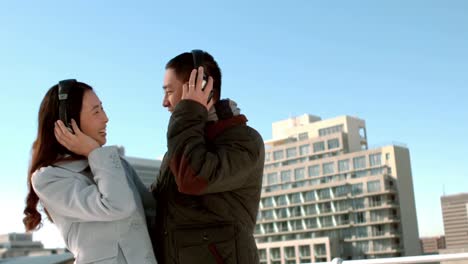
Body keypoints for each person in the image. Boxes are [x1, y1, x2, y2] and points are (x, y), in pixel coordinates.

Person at [23, 80, 157, 264]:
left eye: (102, 109)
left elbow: (154, 214)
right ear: (68, 123)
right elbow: (118, 206)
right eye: (96, 111)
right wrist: (94, 152)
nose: (105, 118)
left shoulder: (116, 165)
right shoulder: (49, 178)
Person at [151, 50, 265, 263]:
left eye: (169, 91)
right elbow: (152, 206)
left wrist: (189, 110)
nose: (164, 102)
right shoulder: (184, 144)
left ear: (202, 88)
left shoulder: (244, 141)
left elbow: (193, 177)